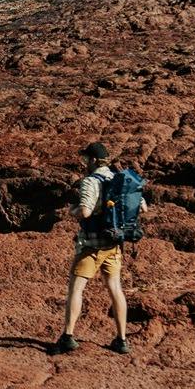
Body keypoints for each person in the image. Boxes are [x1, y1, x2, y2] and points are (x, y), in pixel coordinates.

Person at [53, 142, 130, 355]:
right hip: (114, 244)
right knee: (115, 289)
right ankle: (122, 340)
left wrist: (72, 210)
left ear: (94, 160)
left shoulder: (90, 181)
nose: (84, 162)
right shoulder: (119, 179)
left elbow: (85, 212)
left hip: (91, 246)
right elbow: (141, 206)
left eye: (86, 159)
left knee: (76, 289)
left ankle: (68, 336)